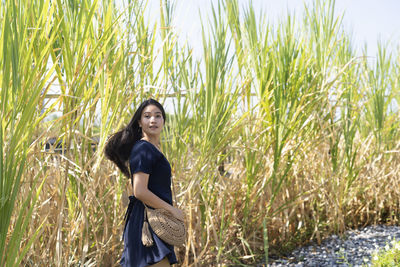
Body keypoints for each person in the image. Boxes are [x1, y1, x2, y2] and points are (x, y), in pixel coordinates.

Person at [105, 98, 184, 267]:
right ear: (139, 122)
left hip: (154, 221)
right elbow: (139, 190)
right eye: (147, 116)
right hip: (147, 224)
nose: (153, 120)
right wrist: (172, 211)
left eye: (158, 116)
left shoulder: (152, 148)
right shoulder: (143, 148)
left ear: (164, 120)